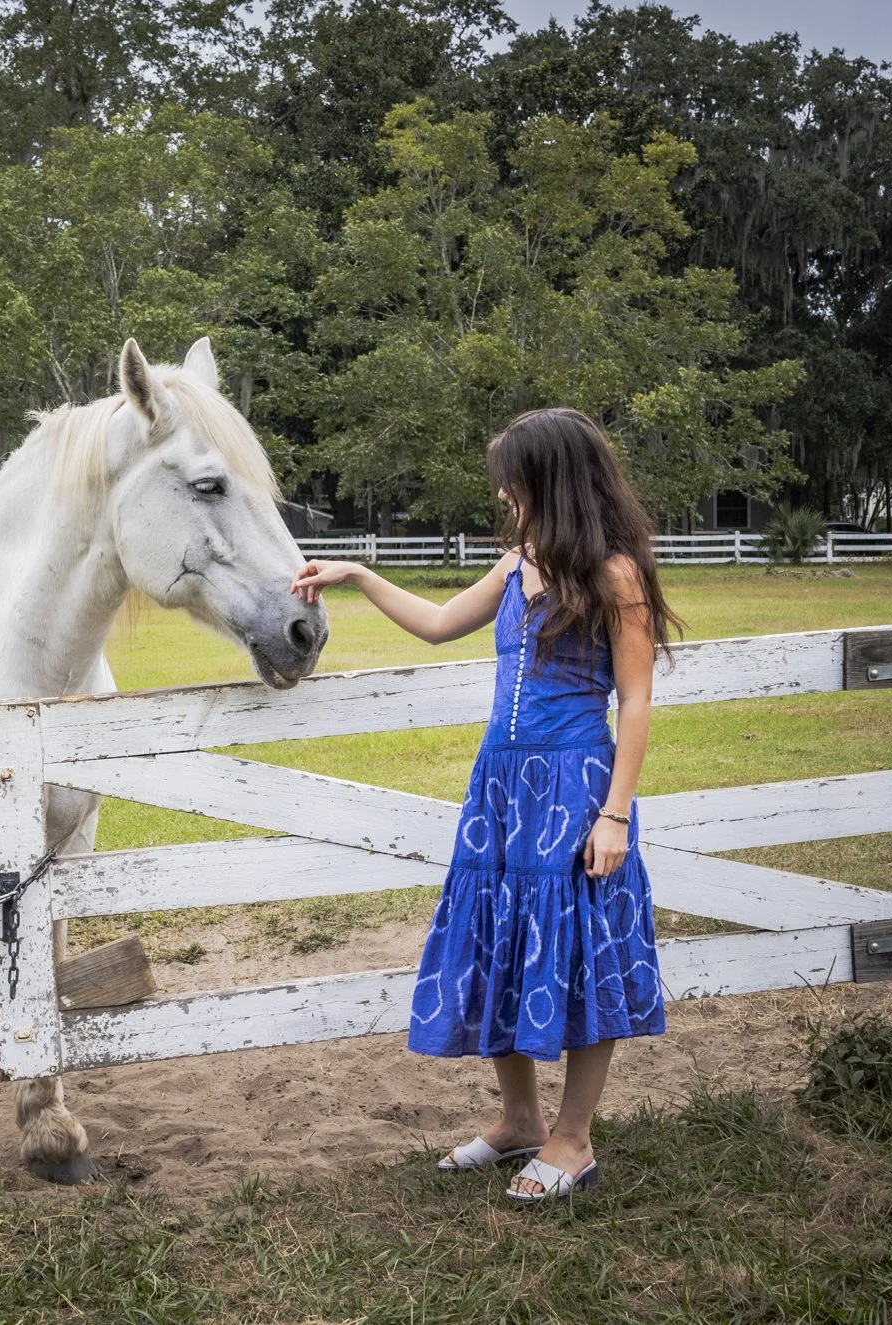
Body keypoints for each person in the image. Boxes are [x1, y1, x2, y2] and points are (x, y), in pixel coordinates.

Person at [291, 408, 681, 1202]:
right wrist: (359, 575)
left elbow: (636, 701)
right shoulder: (515, 565)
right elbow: (438, 624)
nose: (504, 493)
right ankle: (521, 1121)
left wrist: (614, 813)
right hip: (500, 790)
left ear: (550, 480)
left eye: (513, 480)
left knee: (578, 952)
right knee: (501, 939)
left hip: (574, 788)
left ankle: (573, 1139)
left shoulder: (615, 575)